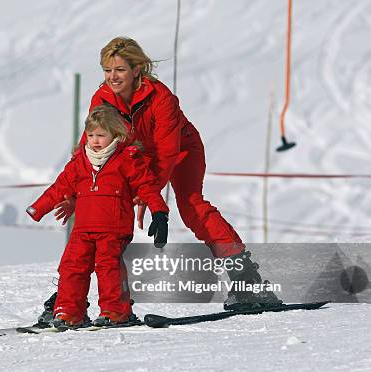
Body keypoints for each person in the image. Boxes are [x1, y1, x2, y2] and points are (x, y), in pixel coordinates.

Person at [37, 37, 282, 323]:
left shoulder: (161, 97)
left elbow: (166, 152)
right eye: (106, 70)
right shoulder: (102, 98)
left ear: (137, 69)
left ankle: (247, 280)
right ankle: (67, 301)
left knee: (191, 206)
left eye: (119, 70)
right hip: (133, 157)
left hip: (181, 150)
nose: (112, 77)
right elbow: (90, 150)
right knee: (100, 212)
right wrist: (76, 194)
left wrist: (147, 191)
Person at [26, 104, 169, 328]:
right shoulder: (80, 162)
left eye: (101, 135)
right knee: (71, 266)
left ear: (116, 134)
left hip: (113, 228)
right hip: (82, 229)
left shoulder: (127, 159)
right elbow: (59, 187)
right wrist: (37, 208)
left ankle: (117, 311)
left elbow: (147, 187)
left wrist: (159, 212)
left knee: (107, 267)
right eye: (91, 135)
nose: (95, 140)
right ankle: (70, 312)